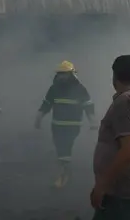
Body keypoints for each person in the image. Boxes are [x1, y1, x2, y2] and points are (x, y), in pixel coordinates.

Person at [91, 55, 130, 220]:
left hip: (121, 195)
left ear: (115, 76)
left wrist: (102, 185)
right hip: (128, 193)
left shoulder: (125, 101)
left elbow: (129, 150)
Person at [35, 60, 97, 188]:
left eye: (65, 74)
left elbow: (88, 107)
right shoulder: (54, 89)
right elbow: (46, 105)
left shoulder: (80, 89)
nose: (62, 77)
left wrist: (93, 123)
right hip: (57, 126)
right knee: (61, 147)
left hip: (72, 126)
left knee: (65, 147)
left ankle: (64, 173)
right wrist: (38, 119)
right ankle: (65, 170)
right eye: (60, 74)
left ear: (72, 74)